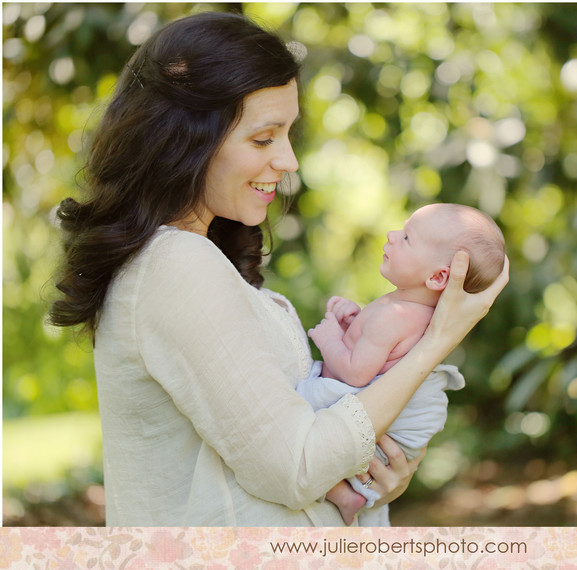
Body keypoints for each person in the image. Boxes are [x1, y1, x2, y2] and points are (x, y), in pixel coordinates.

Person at [48, 11, 508, 526]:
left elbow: (301, 448)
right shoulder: (174, 264)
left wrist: (381, 474)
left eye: (288, 135)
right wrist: (437, 342)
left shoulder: (198, 257)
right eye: (264, 139)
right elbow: (299, 468)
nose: (288, 160)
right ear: (184, 140)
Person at [299, 203, 505, 524]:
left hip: (381, 436)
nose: (392, 235)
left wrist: (328, 340)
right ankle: (346, 493)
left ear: (438, 277)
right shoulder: (413, 311)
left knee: (304, 411)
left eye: (408, 238)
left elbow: (356, 373)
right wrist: (354, 322)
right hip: (388, 432)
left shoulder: (394, 318)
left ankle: (344, 493)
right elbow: (382, 354)